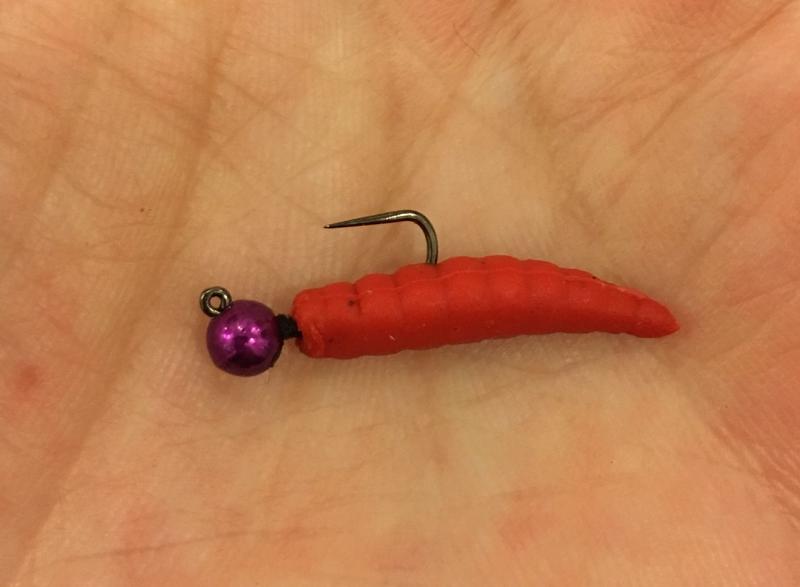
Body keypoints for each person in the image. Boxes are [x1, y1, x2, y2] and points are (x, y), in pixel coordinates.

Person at [1, 1, 798, 584]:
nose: (249, 337)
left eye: (245, 335)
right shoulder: (322, 323)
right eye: (246, 341)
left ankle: (632, 313)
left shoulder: (319, 324)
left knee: (585, 301)